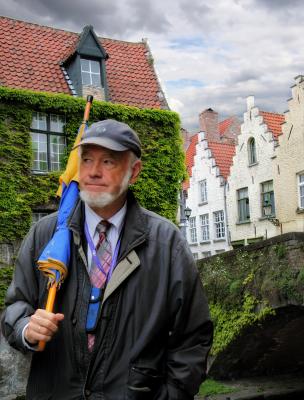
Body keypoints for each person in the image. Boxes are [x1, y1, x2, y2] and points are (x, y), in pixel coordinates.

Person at [1, 119, 213, 400]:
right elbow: (15, 305)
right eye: (86, 160)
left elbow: (193, 336)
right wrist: (27, 328)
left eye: (108, 162)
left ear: (134, 171)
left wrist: (170, 395)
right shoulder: (46, 235)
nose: (93, 172)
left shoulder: (166, 243)